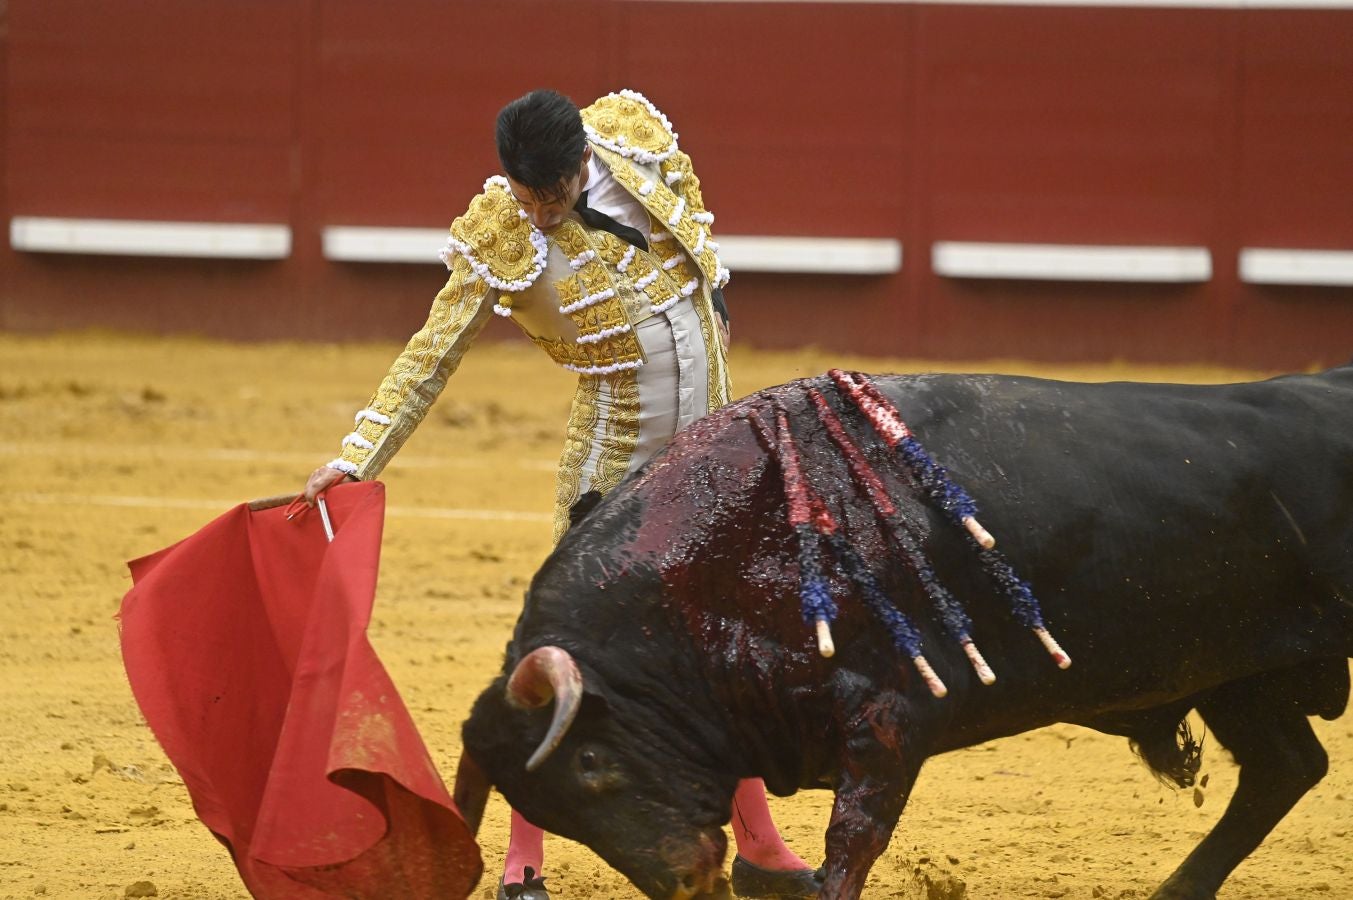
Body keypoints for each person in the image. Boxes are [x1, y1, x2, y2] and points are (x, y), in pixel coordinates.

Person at [301, 89, 822, 900]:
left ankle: (759, 848)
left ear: (583, 160)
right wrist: (358, 455)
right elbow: (431, 352)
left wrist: (713, 296)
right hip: (613, 466)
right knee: (568, 658)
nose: (540, 212)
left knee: (720, 638)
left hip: (712, 447)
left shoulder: (633, 143)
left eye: (553, 193)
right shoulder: (502, 237)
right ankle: (522, 861)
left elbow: (694, 230)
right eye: (525, 194)